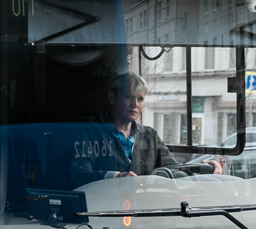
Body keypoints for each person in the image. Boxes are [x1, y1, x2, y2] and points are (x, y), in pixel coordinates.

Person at [70, 72, 222, 187]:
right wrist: (116, 176)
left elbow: (173, 168)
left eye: (140, 99)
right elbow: (78, 175)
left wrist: (203, 168)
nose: (135, 104)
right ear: (112, 98)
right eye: (128, 97)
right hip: (101, 209)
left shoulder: (149, 135)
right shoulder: (89, 130)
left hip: (143, 209)